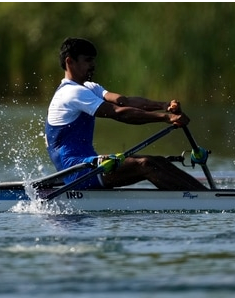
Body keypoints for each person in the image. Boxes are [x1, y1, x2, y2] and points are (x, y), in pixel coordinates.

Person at [44, 37, 208, 191]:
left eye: (93, 60)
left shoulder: (89, 88)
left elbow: (124, 101)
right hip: (77, 172)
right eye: (88, 60)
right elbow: (118, 113)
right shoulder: (71, 93)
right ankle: (205, 200)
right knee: (147, 165)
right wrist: (166, 118)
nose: (93, 65)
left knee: (158, 161)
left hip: (90, 165)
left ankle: (206, 195)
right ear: (69, 62)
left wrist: (164, 106)